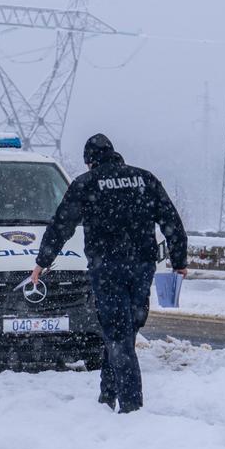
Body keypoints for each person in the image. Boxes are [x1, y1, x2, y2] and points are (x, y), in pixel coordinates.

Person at [29, 133, 187, 413]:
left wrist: (43, 261)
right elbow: (171, 221)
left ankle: (131, 407)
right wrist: (178, 261)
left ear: (89, 161)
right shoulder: (144, 179)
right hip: (141, 266)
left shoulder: (87, 183)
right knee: (126, 330)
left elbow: (61, 225)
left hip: (107, 268)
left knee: (117, 334)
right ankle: (107, 395)